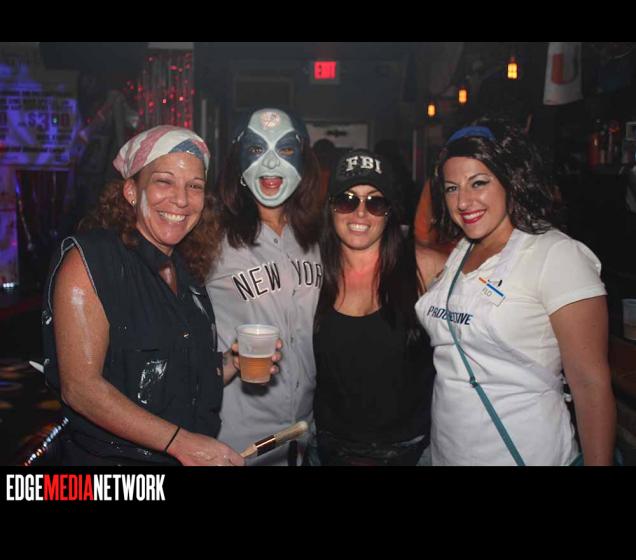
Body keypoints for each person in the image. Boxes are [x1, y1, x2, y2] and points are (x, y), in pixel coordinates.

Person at [42, 125, 279, 466]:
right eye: (164, 181)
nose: (181, 199)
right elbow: (81, 388)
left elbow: (174, 375)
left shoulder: (188, 273)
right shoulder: (92, 260)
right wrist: (181, 443)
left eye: (194, 186)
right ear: (131, 191)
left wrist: (232, 363)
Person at [415, 118, 617, 466]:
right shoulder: (459, 252)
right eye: (451, 188)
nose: (463, 201)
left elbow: (590, 384)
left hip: (526, 454)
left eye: (479, 183)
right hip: (448, 455)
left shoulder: (556, 255)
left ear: (511, 179)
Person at [206, 108, 322, 466]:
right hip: (236, 440)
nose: (271, 163)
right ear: (237, 163)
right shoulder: (209, 238)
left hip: (302, 434)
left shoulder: (318, 238)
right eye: (256, 149)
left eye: (285, 149)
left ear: (303, 162)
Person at [309, 149, 435, 466]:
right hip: (330, 452)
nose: (360, 213)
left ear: (389, 212)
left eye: (375, 202)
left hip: (410, 453)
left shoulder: (423, 267)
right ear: (330, 207)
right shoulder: (311, 272)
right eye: (347, 200)